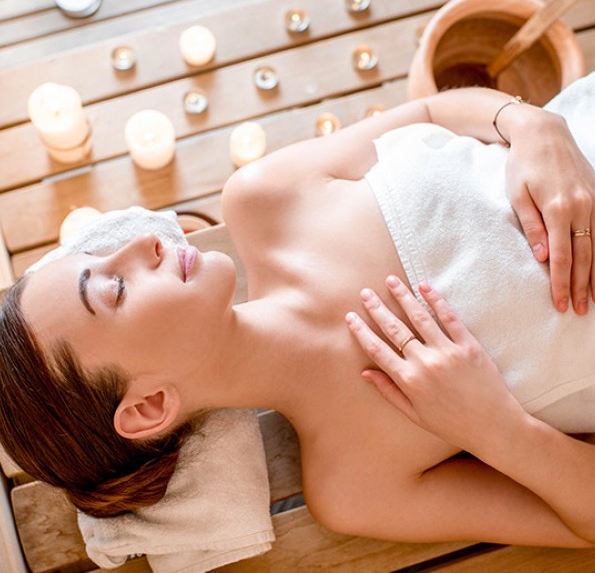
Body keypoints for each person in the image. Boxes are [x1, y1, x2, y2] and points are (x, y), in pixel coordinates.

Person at [2, 76, 595, 548]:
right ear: (150, 405)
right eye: (114, 290)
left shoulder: (264, 197)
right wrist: (496, 429)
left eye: (104, 251)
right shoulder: (356, 485)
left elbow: (435, 115)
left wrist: (530, 123)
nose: (143, 241)